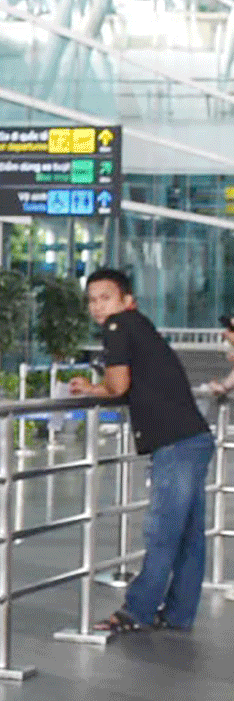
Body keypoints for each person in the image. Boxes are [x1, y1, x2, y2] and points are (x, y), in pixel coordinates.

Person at [69, 268, 212, 633]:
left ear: (126, 300)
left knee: (163, 530)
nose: (98, 307)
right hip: (193, 437)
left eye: (105, 298)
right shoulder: (140, 325)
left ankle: (137, 611)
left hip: (174, 442)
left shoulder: (118, 327)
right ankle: (179, 614)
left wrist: (89, 388)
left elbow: (118, 385)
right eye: (92, 300)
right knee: (189, 535)